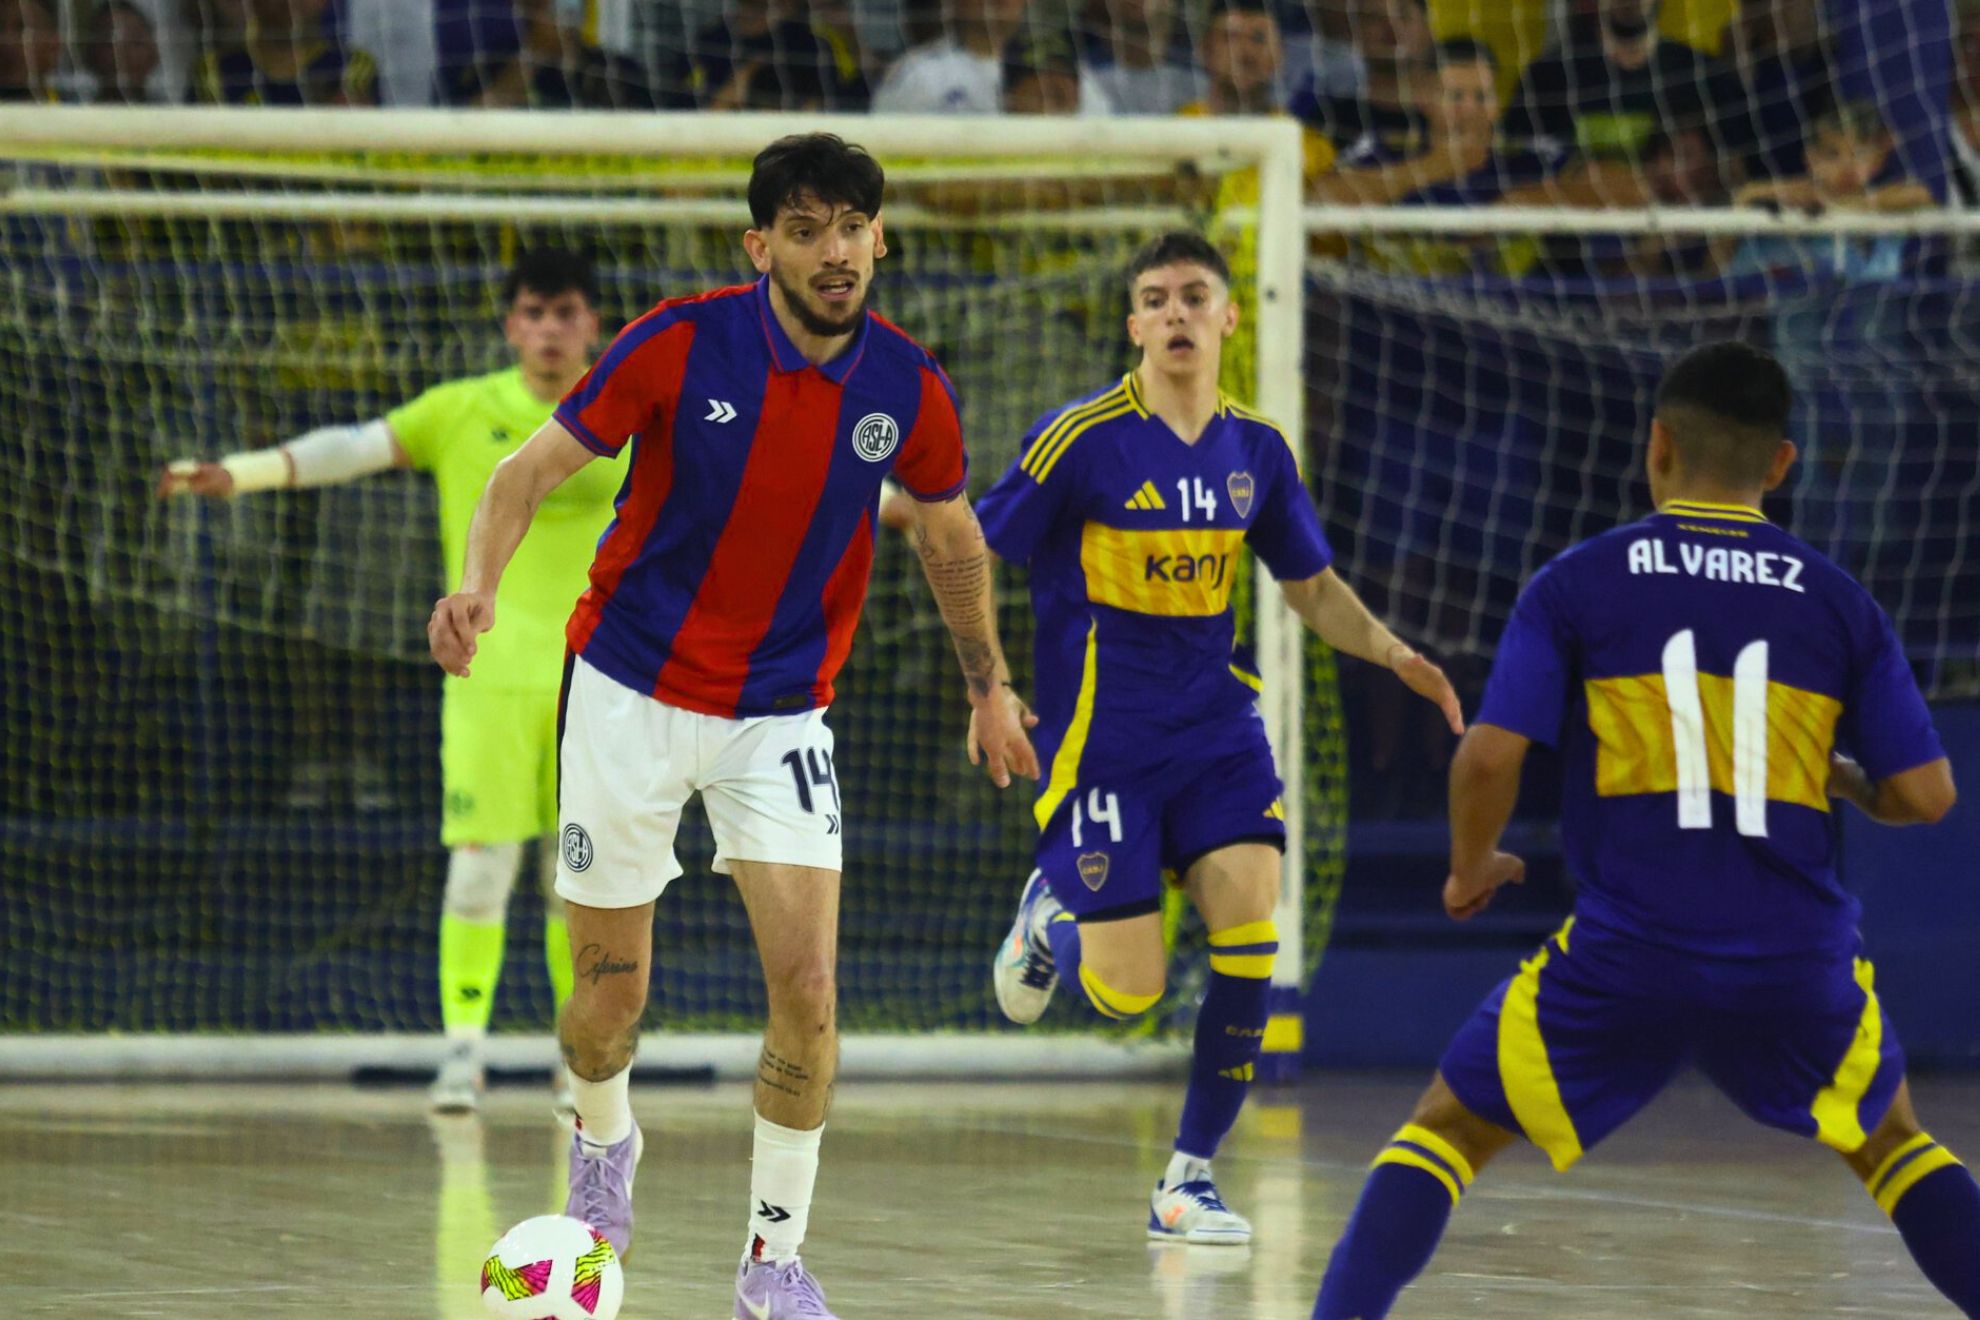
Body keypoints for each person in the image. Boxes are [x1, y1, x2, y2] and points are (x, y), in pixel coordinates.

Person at [426, 133, 1037, 1320]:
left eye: (853, 226)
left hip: (780, 716)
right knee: (607, 1008)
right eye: (805, 230)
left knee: (809, 986)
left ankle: (772, 1263)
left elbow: (954, 541)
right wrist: (478, 587)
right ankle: (603, 1152)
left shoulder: (908, 386)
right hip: (628, 694)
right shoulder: (679, 339)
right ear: (760, 247)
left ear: (882, 238)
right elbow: (523, 474)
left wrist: (987, 686)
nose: (835, 251)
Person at [1310, 340, 1977, 1319]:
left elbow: (1488, 757)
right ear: (1781, 465)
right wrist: (1843, 785)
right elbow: (1929, 796)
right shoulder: (1841, 602)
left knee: (1446, 1130)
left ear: (1655, 445)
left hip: (1629, 954)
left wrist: (1468, 869)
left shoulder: (1581, 581)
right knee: (1896, 1144)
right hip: (1792, 961)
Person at [977, 230, 1462, 1246]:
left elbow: (1311, 586)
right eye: (1155, 299)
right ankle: (1048, 922)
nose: (1177, 315)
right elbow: (977, 547)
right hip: (1103, 745)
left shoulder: (1258, 450)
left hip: (1216, 733)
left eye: (1196, 296)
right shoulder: (1081, 439)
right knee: (1127, 992)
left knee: (1251, 925)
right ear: (1133, 325)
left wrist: (1393, 654)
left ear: (1230, 316)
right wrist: (994, 686)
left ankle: (1186, 1180)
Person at [159, 249, 622, 1118]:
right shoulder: (463, 410)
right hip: (486, 678)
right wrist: (248, 472)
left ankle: (581, 1068)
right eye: (534, 312)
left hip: (601, 685)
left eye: (566, 313)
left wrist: (890, 502)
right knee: (481, 871)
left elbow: (732, 477)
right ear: (510, 323)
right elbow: (356, 447)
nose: (550, 330)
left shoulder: (626, 415)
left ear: (592, 323)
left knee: (582, 883)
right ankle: (462, 1058)